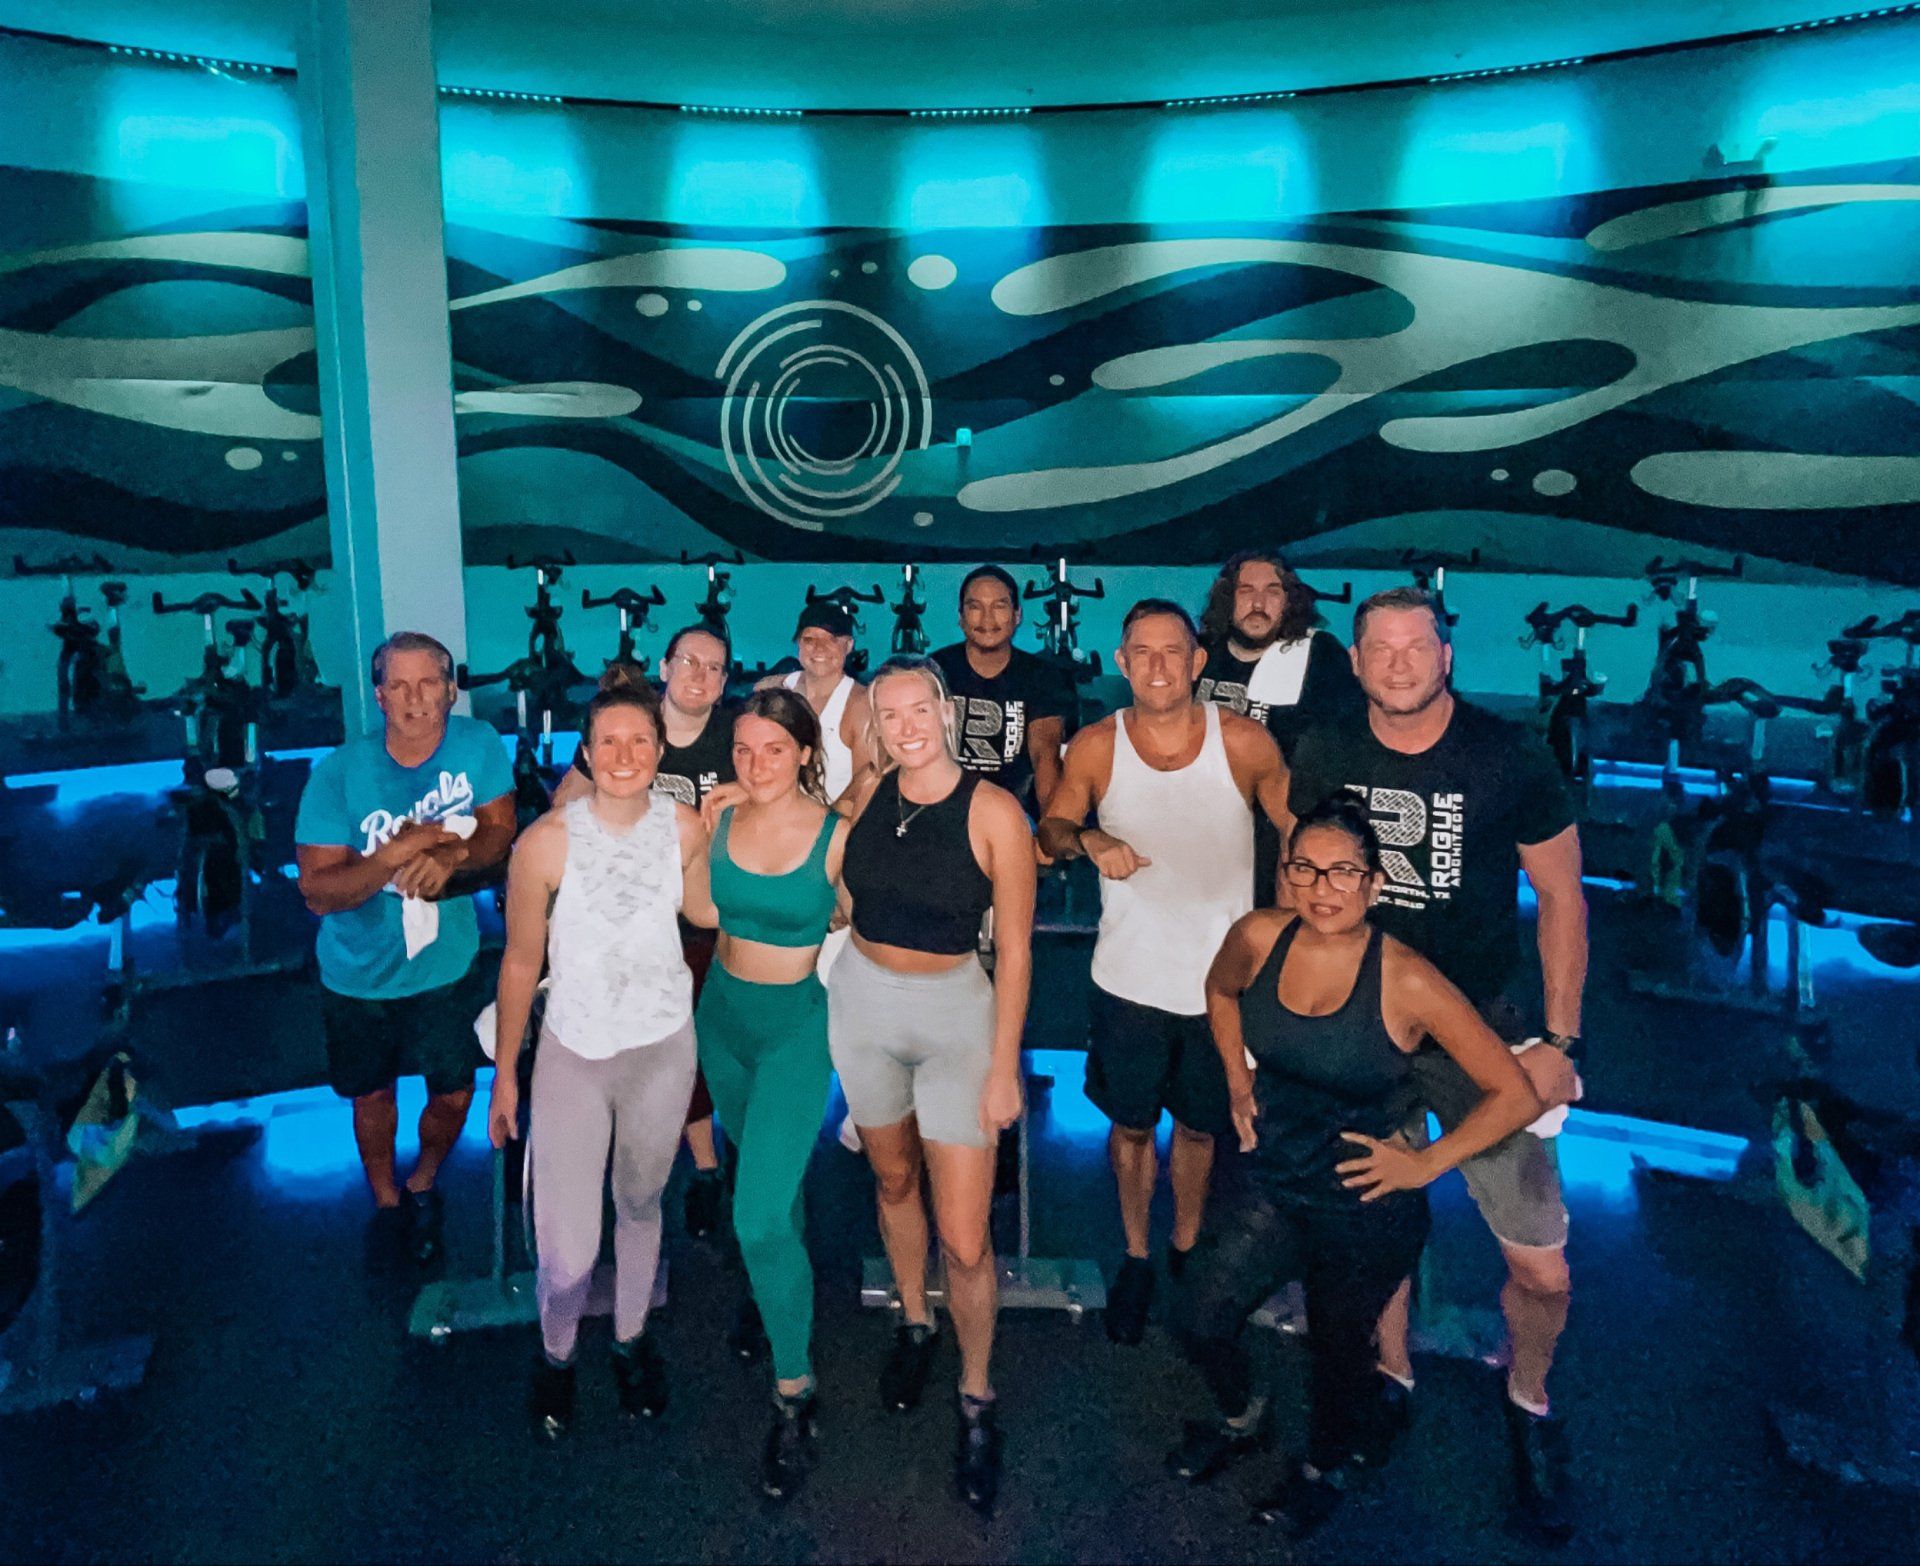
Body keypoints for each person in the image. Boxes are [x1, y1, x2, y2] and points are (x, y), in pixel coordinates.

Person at [1285, 585, 1588, 1541]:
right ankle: (1392, 1375)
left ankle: (1529, 1400)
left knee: (1542, 1271)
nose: (1400, 663)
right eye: (1380, 648)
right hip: (1365, 1022)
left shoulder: (1509, 755)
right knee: (1378, 1220)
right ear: (1359, 660)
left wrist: (1562, 1044)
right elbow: (1303, 880)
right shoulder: (1329, 748)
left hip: (1477, 1033)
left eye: (1418, 646)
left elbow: (1564, 900)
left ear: (1446, 656)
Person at [1167, 798, 1541, 1538]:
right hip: (1276, 1177)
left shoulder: (1406, 979)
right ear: (1287, 873)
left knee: (1337, 1353)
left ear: (1374, 885)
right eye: (1306, 867)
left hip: (1365, 1201)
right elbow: (1219, 991)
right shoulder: (1259, 936)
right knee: (1201, 1317)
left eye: (1344, 872)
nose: (1322, 886)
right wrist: (1239, 1083)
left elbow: (1515, 1093)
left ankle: (1322, 1468)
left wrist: (1426, 1163)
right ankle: (1245, 1418)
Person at [1039, 600, 1290, 1346]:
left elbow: (1301, 831)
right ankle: (1137, 1257)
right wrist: (1087, 837)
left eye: (1171, 652)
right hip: (1128, 982)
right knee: (1129, 1128)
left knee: (1201, 1131)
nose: (1156, 666)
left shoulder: (1243, 742)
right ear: (1121, 663)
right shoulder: (1095, 746)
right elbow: (1050, 830)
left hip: (1219, 988)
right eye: (1141, 653)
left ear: (1196, 661)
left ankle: (1183, 1248)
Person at [830, 655, 1035, 1513]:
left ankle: (977, 1393)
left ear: (946, 712)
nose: (907, 723)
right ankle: (915, 1320)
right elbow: (838, 897)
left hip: (957, 1013)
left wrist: (1003, 1069)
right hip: (863, 1003)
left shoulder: (993, 811)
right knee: (891, 1179)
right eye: (891, 712)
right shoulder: (869, 793)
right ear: (874, 722)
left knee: (967, 1235)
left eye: (921, 707)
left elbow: (1017, 950)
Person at [487, 667, 710, 1439]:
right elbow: (520, 962)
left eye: (640, 740)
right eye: (608, 741)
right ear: (584, 750)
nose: (625, 754)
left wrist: (746, 819)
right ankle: (555, 1355)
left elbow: (711, 908)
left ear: (659, 750)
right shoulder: (545, 842)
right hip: (574, 1052)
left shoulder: (684, 827)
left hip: (661, 1047)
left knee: (642, 1203)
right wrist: (505, 1079)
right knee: (569, 1255)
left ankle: (629, 1342)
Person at [675, 688, 849, 1501]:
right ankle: (781, 1290)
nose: (756, 764)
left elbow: (864, 919)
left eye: (774, 750)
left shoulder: (837, 836)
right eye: (743, 750)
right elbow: (701, 908)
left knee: (754, 1213)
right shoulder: (727, 819)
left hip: (793, 1030)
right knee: (768, 1197)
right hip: (723, 1019)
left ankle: (794, 1390)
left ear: (806, 753)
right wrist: (704, 826)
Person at [295, 631, 515, 1265]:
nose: (415, 698)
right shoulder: (337, 774)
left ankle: (423, 1183)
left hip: (448, 964)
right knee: (374, 1095)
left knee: (453, 1093)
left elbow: (500, 833)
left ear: (451, 690)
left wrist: (450, 854)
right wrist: (392, 854)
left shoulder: (477, 745)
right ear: (379, 695)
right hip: (359, 972)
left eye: (429, 683)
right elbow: (320, 893)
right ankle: (388, 1199)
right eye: (399, 684)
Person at [552, 623, 736, 1238]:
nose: (699, 675)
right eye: (690, 661)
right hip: (627, 922)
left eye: (714, 667)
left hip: (705, 914)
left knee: (695, 1041)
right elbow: (563, 812)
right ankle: (637, 1173)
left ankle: (706, 1167)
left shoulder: (735, 738)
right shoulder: (626, 728)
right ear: (665, 664)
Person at [1197, 549, 1364, 905]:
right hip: (1203, 832)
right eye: (1246, 591)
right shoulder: (1202, 654)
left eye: (1272, 591)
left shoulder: (1317, 654)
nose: (1259, 602)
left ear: (1290, 600)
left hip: (1280, 836)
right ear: (1228, 598)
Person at [931, 564, 1074, 818]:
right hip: (944, 811)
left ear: (1017, 615)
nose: (987, 619)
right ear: (961, 616)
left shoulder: (1043, 677)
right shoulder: (934, 671)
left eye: (999, 606)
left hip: (1017, 812)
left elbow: (1045, 756)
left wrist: (1050, 826)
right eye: (975, 607)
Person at [758, 601, 874, 804]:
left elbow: (865, 782)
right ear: (798, 645)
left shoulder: (860, 705)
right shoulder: (770, 690)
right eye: (809, 639)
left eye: (831, 639)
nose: (819, 648)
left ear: (848, 646)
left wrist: (827, 827)